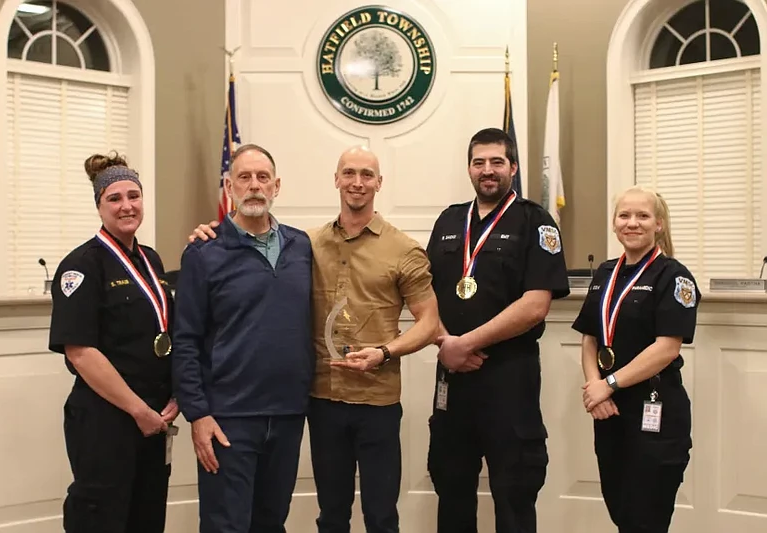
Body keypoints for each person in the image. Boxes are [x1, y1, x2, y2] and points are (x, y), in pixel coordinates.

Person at [189, 145, 441, 533]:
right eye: (349, 173)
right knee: (326, 516)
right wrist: (211, 231)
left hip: (367, 402)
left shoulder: (393, 248)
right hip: (309, 403)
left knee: (378, 515)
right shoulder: (304, 243)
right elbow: (190, 334)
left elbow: (430, 323)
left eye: (367, 174)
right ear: (336, 180)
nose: (357, 182)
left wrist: (386, 351)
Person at [426, 127, 569, 533]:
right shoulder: (450, 220)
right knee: (451, 485)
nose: (487, 171)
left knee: (514, 491)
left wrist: (463, 344)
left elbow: (534, 306)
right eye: (478, 162)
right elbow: (425, 294)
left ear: (513, 167)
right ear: (469, 169)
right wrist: (443, 342)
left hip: (509, 376)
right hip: (452, 379)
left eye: (496, 162)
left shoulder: (535, 222)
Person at [172, 143, 314, 533]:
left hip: (287, 413)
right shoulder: (203, 253)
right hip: (228, 418)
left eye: (263, 178)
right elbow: (185, 339)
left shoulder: (301, 246)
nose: (254, 186)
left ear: (277, 186)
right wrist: (197, 413)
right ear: (229, 186)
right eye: (244, 178)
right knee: (226, 526)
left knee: (271, 523)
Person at [48, 152, 179, 533]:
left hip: (154, 422)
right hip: (107, 421)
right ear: (100, 206)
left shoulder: (151, 260)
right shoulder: (82, 265)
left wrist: (172, 398)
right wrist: (139, 410)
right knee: (102, 519)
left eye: (134, 196)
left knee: (146, 518)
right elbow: (81, 352)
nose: (127, 206)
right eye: (115, 198)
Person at [571, 185, 698, 533]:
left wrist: (608, 384)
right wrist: (595, 386)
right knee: (622, 513)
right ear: (614, 223)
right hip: (609, 411)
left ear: (658, 224)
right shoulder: (605, 273)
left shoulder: (674, 276)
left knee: (647, 519)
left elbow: (666, 348)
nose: (632, 223)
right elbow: (590, 338)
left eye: (642, 216)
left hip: (654, 412)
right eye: (624, 215)